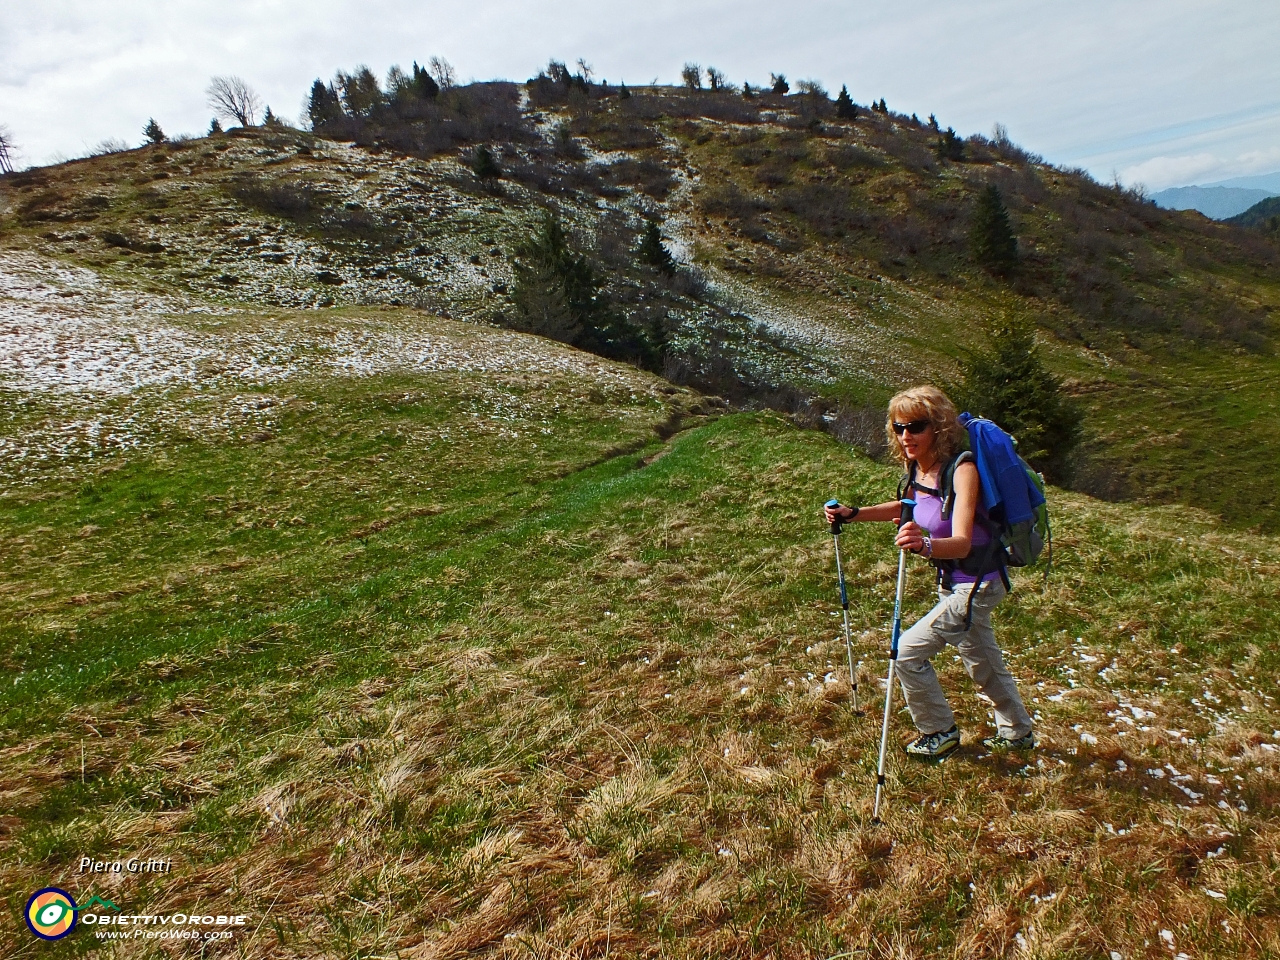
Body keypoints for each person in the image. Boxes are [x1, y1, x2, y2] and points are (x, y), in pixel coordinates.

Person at [823, 385, 1034, 758]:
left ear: (938, 427)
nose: (906, 436)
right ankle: (1018, 733)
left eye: (916, 426)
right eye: (899, 427)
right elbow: (907, 506)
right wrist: (854, 514)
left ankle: (938, 731)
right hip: (954, 582)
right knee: (983, 663)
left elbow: (963, 541)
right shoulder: (919, 467)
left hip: (977, 584)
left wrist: (925, 546)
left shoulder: (962, 468)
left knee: (905, 653)